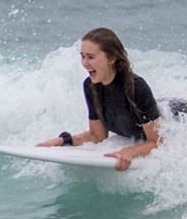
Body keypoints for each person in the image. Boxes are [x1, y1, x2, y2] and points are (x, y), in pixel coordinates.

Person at [37, 28, 161, 171]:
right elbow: (97, 135)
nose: (84, 63)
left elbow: (156, 141)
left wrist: (131, 151)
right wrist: (64, 140)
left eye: (91, 57)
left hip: (177, 115)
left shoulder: (136, 87)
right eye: (82, 56)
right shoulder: (91, 86)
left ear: (111, 58)